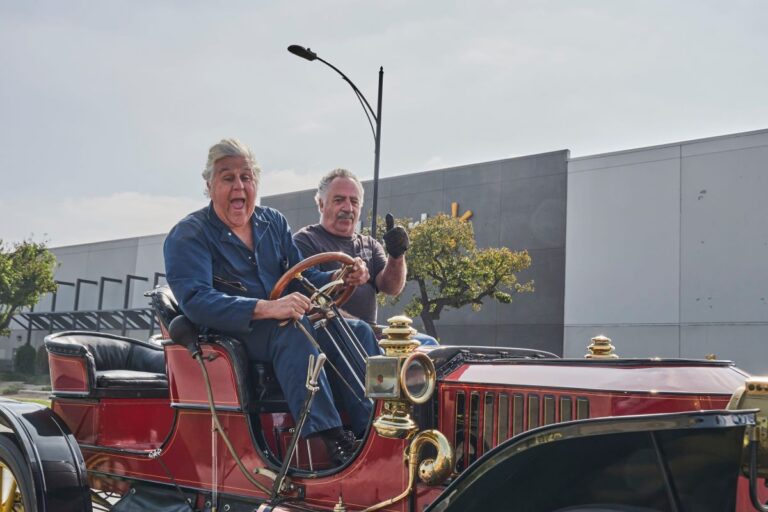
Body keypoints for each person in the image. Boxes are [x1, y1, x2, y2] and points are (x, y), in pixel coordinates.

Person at [163, 139, 379, 465]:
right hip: (233, 332)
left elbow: (300, 281)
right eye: (227, 178)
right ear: (209, 186)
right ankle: (333, 441)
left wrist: (340, 277)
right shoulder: (189, 234)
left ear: (256, 183)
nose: (239, 186)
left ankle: (375, 429)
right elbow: (197, 301)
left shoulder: (273, 223)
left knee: (356, 329)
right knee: (292, 328)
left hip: (282, 322)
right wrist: (266, 308)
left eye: (246, 178)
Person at [293, 168, 438, 345]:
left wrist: (396, 255)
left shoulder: (370, 244)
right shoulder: (305, 241)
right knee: (364, 334)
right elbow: (303, 291)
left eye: (354, 202)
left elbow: (392, 287)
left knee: (429, 345)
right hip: (327, 331)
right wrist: (343, 278)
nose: (348, 208)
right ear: (321, 204)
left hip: (372, 332)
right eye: (339, 200)